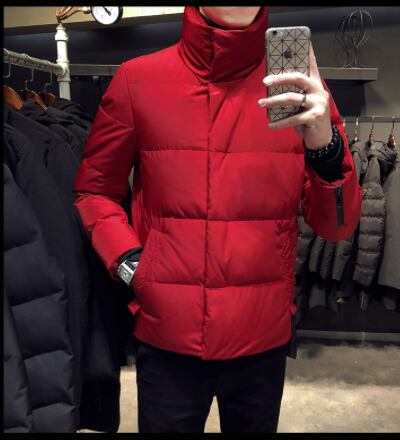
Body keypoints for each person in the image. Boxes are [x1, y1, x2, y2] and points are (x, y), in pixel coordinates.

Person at [73, 6, 362, 433]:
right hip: (169, 336)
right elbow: (95, 191)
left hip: (261, 337)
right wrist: (132, 264)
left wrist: (325, 145)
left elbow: (336, 225)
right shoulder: (137, 80)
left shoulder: (301, 90)